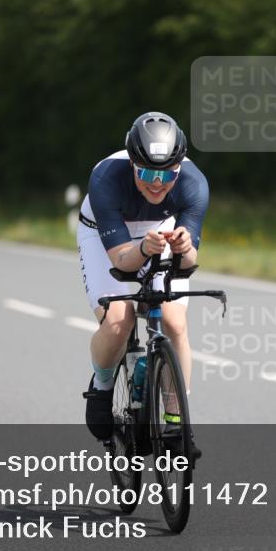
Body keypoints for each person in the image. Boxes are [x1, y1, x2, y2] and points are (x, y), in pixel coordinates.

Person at [78, 112, 209, 444]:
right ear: (133, 163)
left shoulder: (194, 184)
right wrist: (144, 250)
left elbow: (190, 260)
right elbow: (122, 261)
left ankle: (176, 419)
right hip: (104, 234)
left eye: (168, 175)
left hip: (159, 229)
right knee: (118, 321)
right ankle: (103, 387)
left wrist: (182, 246)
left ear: (180, 167)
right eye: (148, 172)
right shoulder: (106, 178)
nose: (157, 183)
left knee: (174, 322)